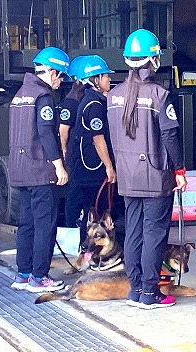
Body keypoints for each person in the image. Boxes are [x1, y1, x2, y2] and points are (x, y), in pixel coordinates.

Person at [107, 29, 187, 309]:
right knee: (154, 232)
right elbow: (169, 137)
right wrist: (179, 169)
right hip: (155, 175)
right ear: (153, 59)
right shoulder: (159, 95)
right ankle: (150, 293)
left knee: (133, 231)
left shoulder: (114, 95)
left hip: (128, 176)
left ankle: (136, 290)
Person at [9, 46, 69, 292]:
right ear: (52, 71)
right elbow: (45, 133)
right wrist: (59, 166)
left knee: (27, 223)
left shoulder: (20, 94)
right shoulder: (42, 96)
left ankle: (23, 274)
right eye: (61, 75)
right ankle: (40, 277)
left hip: (20, 169)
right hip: (39, 170)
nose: (61, 81)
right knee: (45, 223)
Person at [65, 55, 116, 248]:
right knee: (93, 212)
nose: (109, 79)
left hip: (87, 169)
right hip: (92, 170)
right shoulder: (94, 105)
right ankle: (87, 253)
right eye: (105, 76)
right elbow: (98, 138)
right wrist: (109, 167)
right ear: (95, 80)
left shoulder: (90, 101)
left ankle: (87, 253)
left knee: (91, 212)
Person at [58, 56, 86, 230]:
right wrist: (65, 154)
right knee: (74, 197)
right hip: (74, 158)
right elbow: (63, 131)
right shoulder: (71, 102)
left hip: (84, 157)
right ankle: (70, 230)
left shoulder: (82, 98)